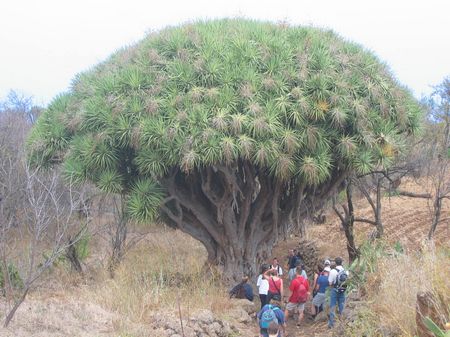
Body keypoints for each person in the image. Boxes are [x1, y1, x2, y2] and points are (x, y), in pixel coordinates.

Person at [328, 257, 349, 328]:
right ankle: (342, 323)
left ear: (335, 263)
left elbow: (330, 283)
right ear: (341, 262)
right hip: (343, 290)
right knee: (341, 306)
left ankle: (332, 324)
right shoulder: (346, 271)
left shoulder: (333, 271)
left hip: (335, 290)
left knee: (333, 306)